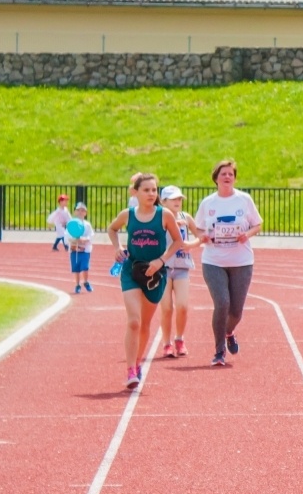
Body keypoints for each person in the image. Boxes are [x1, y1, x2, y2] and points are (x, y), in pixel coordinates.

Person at [107, 174, 183, 389]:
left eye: (154, 190)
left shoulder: (164, 215)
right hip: (131, 270)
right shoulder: (128, 215)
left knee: (145, 324)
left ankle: (138, 361)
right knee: (134, 321)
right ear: (135, 193)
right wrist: (117, 248)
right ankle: (131, 368)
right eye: (146, 190)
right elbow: (112, 229)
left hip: (154, 275)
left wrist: (161, 261)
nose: (151, 194)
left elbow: (178, 241)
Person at [195, 159, 263, 367]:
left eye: (230, 174)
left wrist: (246, 235)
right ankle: (218, 351)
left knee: (236, 311)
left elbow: (258, 224)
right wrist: (204, 237)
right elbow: (198, 229)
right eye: (223, 173)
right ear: (216, 178)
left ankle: (229, 332)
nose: (227, 177)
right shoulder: (208, 203)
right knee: (222, 303)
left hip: (241, 261)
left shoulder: (244, 200)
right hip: (213, 261)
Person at [159, 185, 200, 358]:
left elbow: (200, 236)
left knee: (183, 306)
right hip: (163, 268)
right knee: (167, 308)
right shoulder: (157, 218)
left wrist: (191, 244)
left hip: (182, 266)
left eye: (179, 199)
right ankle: (167, 343)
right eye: (173, 199)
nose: (177, 201)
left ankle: (179, 339)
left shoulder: (186, 217)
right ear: (163, 201)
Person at [64, 202, 95, 293]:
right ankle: (77, 284)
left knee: (85, 267)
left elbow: (91, 235)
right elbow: (67, 236)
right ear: (74, 212)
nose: (80, 212)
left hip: (85, 250)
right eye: (78, 210)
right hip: (74, 250)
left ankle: (85, 281)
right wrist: (74, 240)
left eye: (83, 210)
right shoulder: (71, 224)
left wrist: (86, 239)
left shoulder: (87, 225)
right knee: (76, 268)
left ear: (85, 213)